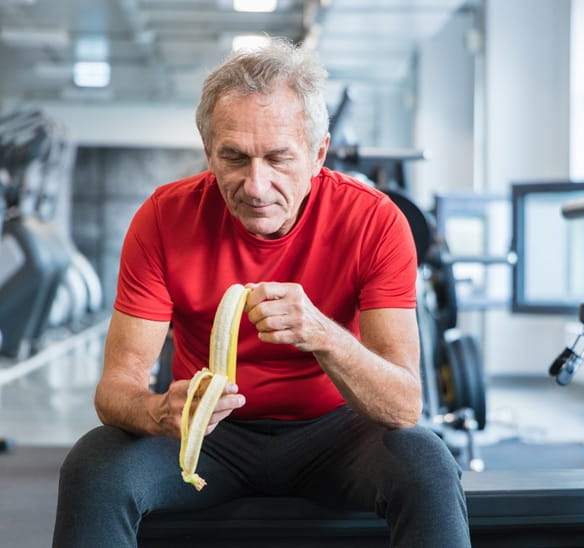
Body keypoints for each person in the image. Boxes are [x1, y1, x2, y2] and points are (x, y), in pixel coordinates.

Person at [52, 37, 470, 548]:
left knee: (427, 463)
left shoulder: (375, 221)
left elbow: (404, 406)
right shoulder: (163, 218)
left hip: (336, 432)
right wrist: (156, 411)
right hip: (207, 434)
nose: (255, 184)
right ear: (208, 151)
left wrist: (323, 335)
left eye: (278, 158)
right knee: (94, 465)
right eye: (234, 157)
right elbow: (115, 389)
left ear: (318, 154)